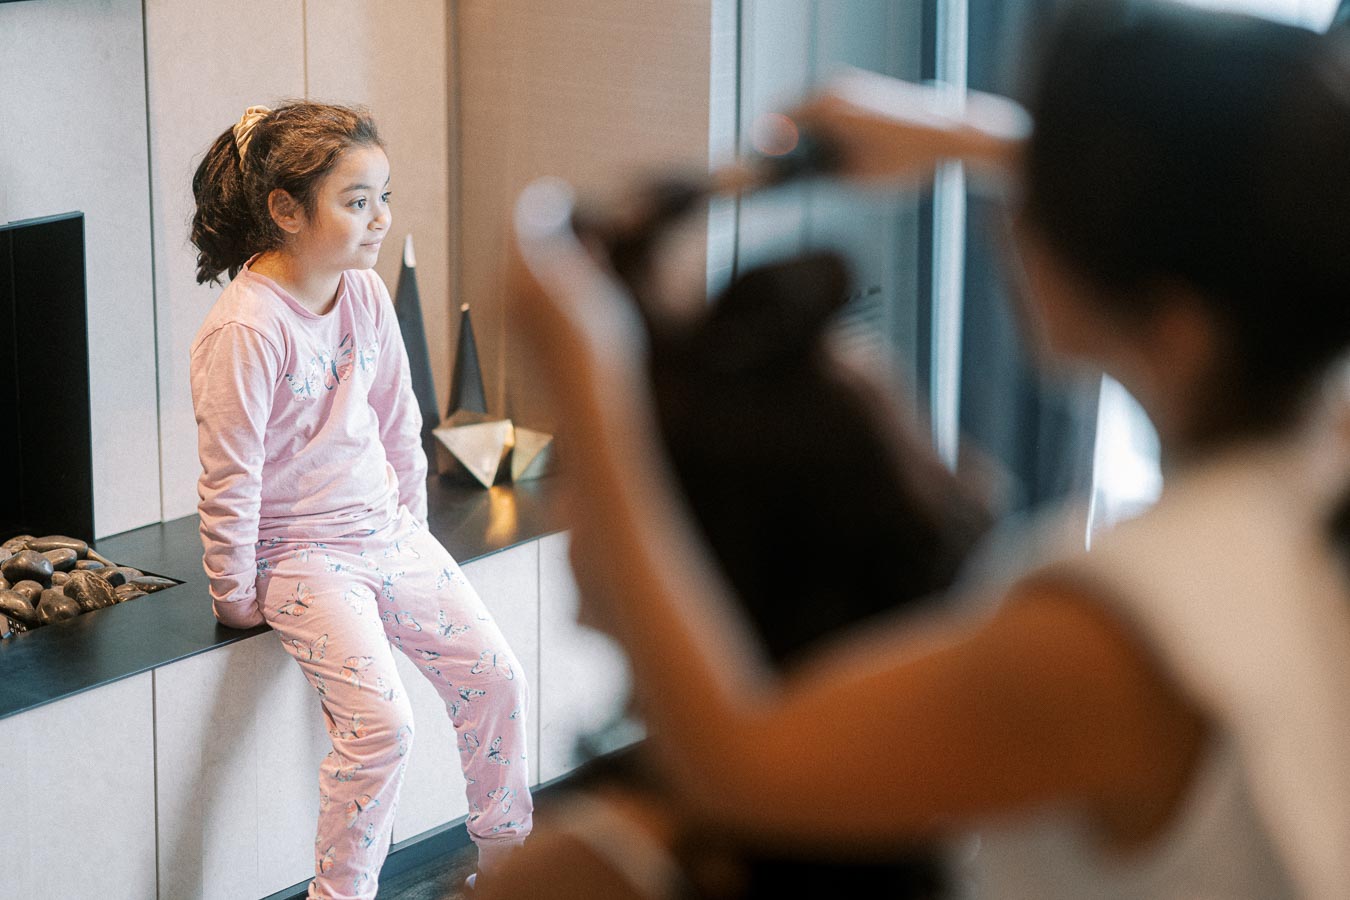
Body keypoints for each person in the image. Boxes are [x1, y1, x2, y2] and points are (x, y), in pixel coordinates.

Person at [502, 1, 1350, 898]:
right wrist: (958, 135)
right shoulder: (1318, 472)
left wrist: (594, 386)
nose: (1016, 224)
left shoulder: (1129, 631)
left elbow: (742, 759)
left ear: (1177, 325)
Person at [188, 101, 532, 899]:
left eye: (384, 197)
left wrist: (409, 520)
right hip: (301, 555)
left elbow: (397, 416)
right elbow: (229, 475)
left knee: (499, 678)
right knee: (383, 728)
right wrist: (235, 596)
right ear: (284, 210)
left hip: (386, 530)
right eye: (356, 201)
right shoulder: (245, 331)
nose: (380, 220)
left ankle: (515, 870)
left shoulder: (365, 293)